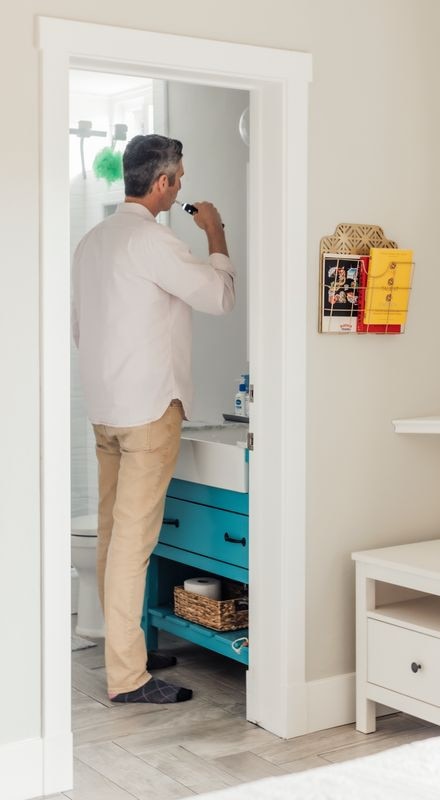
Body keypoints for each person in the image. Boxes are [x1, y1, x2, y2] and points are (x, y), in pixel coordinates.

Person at [72, 134, 236, 704]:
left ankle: (127, 649)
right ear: (163, 183)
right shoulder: (153, 241)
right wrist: (215, 234)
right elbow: (218, 297)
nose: (182, 185)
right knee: (132, 544)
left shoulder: (91, 242)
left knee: (114, 534)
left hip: (105, 410)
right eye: (180, 177)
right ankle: (128, 677)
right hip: (148, 412)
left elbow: (78, 329)